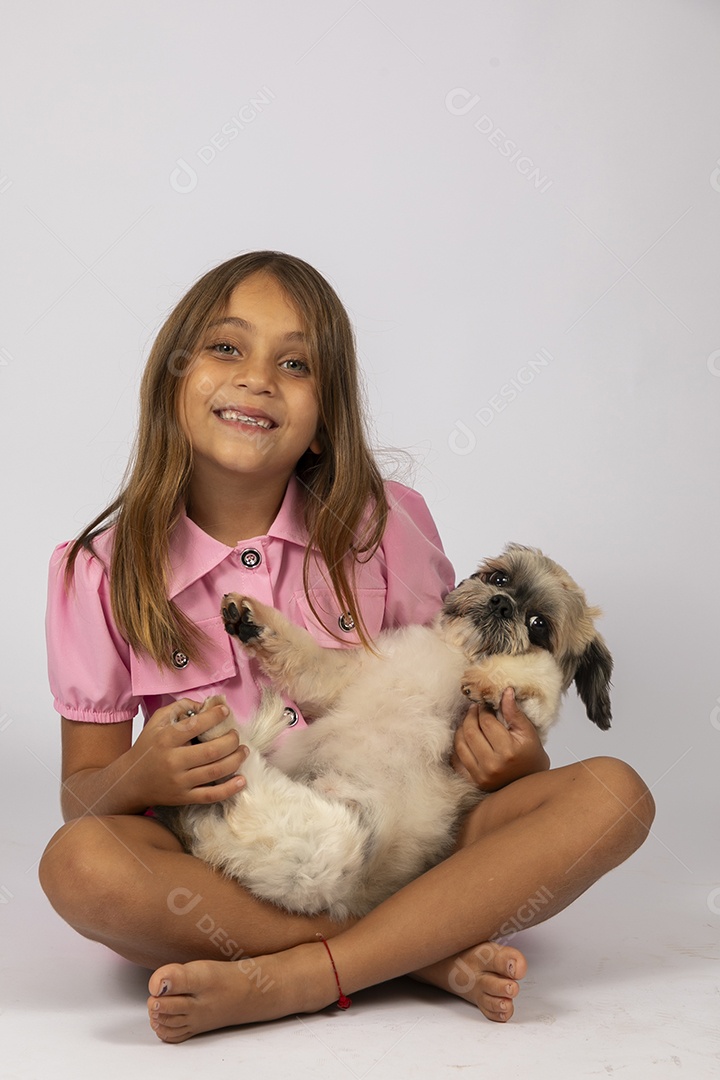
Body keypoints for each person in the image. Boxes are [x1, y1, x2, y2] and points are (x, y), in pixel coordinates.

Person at [39, 251, 655, 1044]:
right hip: (225, 863)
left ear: (326, 412)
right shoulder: (96, 571)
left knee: (617, 796)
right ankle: (411, 955)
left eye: (294, 363)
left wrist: (516, 764)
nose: (258, 378)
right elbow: (82, 796)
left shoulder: (386, 523)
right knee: (80, 861)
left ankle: (296, 976)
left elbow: (446, 696)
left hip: (406, 840)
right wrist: (138, 773)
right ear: (173, 375)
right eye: (228, 347)